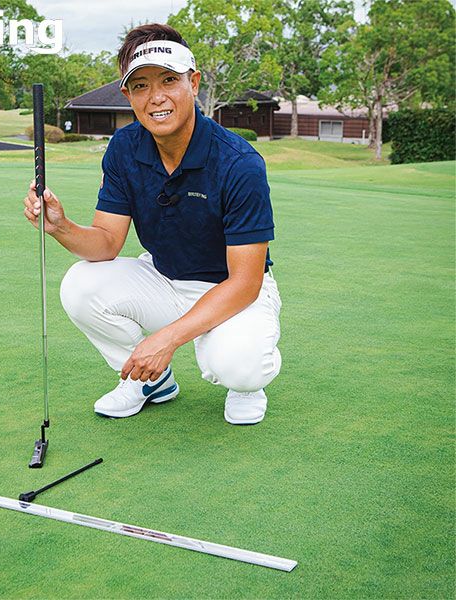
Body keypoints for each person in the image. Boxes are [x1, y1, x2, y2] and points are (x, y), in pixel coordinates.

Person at [23, 23, 282, 425]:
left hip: (231, 290)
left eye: (169, 80)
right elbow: (106, 243)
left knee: (240, 365)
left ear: (193, 83)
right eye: (141, 86)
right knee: (80, 285)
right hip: (163, 280)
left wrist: (166, 339)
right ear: (128, 95)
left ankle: (245, 385)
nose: (156, 97)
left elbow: (245, 282)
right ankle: (151, 382)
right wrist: (61, 226)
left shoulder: (239, 163)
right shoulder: (124, 147)